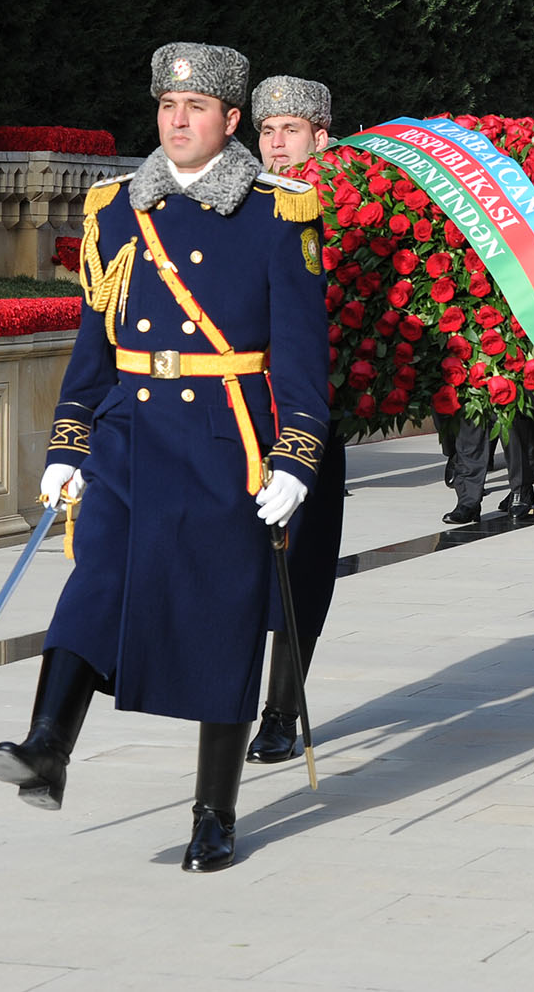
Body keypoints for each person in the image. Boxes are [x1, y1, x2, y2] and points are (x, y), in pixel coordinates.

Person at [0, 42, 329, 872]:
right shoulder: (114, 208)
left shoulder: (276, 211)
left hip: (225, 440)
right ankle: (48, 744)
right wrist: (70, 440)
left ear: (231, 121)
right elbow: (93, 344)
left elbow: (301, 357)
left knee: (222, 619)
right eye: (167, 108)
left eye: (196, 109)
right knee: (97, 579)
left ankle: (215, 810)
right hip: (130, 435)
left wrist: (296, 457)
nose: (178, 121)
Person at [243, 74, 347, 765]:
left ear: (321, 137)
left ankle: (281, 709)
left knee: (302, 567)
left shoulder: (345, 207)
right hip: (239, 413)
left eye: (292, 130)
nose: (278, 144)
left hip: (306, 416)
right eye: (269, 130)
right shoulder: (236, 204)